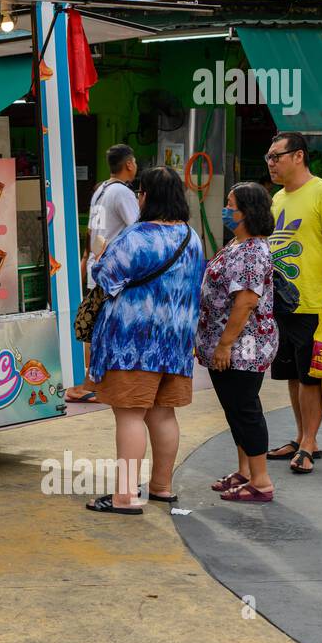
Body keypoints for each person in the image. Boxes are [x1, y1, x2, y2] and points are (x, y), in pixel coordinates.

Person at [84, 166, 205, 515]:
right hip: (177, 342)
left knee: (130, 416)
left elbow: (105, 279)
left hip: (133, 343)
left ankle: (124, 496)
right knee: (163, 415)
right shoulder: (191, 237)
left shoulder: (135, 237)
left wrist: (101, 256)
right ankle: (162, 488)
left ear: (146, 197)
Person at [264, 132, 322, 475]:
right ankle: (301, 438)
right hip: (282, 302)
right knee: (292, 375)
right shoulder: (278, 198)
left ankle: (310, 442)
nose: (270, 163)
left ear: (298, 156)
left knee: (311, 377)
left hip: (314, 302)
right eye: (268, 157)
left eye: (276, 156)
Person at [197, 183, 278, 503]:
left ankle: (261, 480)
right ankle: (245, 471)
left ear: (245, 212)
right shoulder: (238, 244)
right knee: (235, 409)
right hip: (231, 344)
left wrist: (224, 345)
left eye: (230, 204)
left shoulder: (253, 252)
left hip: (243, 347)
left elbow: (244, 303)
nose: (226, 210)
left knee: (245, 410)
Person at [66, 144, 139, 403]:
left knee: (97, 325)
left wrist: (86, 257)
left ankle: (93, 381)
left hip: (95, 267)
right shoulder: (122, 192)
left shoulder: (101, 189)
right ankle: (95, 384)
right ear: (129, 164)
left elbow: (91, 230)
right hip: (113, 272)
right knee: (108, 327)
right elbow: (137, 230)